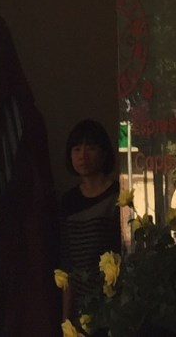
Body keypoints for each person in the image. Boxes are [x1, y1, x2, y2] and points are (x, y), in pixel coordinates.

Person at [56, 119, 122, 317]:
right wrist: (66, 319)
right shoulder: (69, 201)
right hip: (81, 305)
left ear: (103, 153)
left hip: (113, 302)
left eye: (91, 148)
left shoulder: (119, 195)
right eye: (76, 149)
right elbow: (67, 261)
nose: (82, 155)